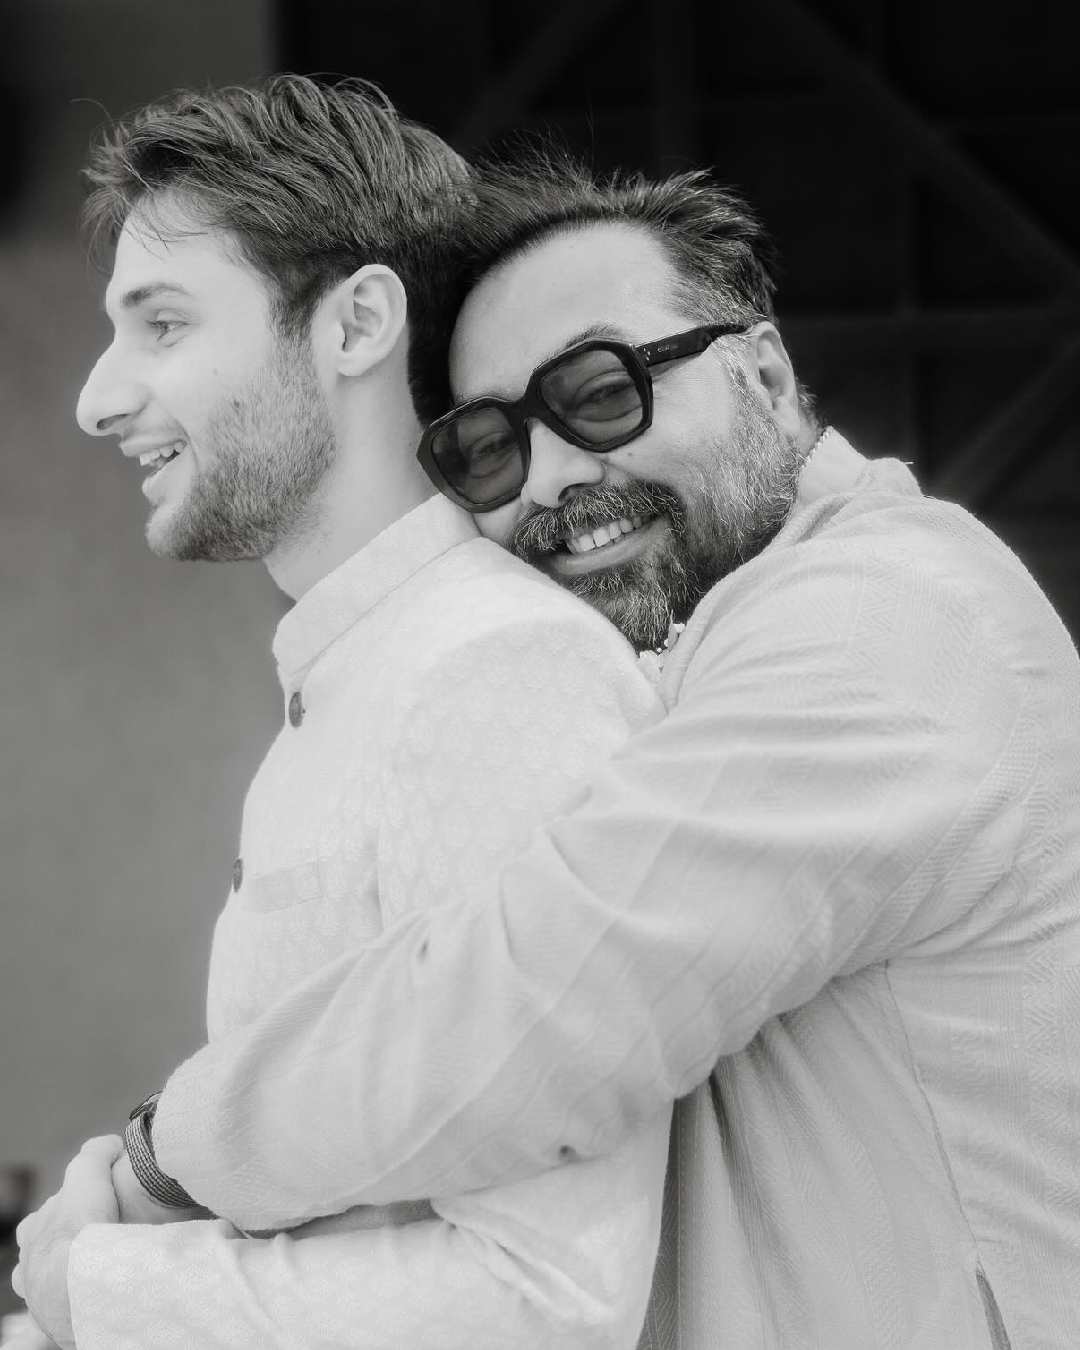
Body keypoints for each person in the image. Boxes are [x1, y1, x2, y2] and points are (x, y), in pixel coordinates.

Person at [102, 153, 1080, 1347]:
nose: (556, 478)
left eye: (603, 392)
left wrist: (161, 1164)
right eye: (489, 450)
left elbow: (539, 1001)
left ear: (764, 370)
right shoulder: (690, 656)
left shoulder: (888, 621)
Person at [11, 81, 674, 1350]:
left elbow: (551, 1301)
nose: (98, 398)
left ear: (357, 320)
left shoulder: (496, 675)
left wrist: (101, 1293)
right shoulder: (358, 677)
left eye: (161, 324)